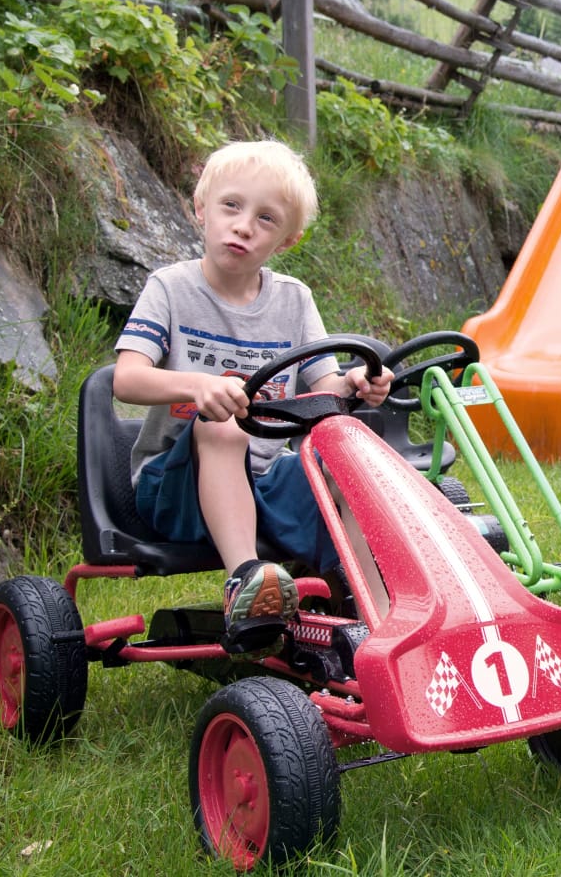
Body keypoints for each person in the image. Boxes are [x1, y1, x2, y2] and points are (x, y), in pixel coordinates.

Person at [112, 139, 391, 650]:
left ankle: (377, 614)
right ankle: (244, 581)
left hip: (263, 483)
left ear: (286, 240)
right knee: (224, 423)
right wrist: (199, 385)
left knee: (344, 452)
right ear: (201, 208)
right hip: (176, 486)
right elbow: (126, 378)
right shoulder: (170, 288)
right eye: (231, 206)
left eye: (266, 218)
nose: (243, 226)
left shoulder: (294, 301)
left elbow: (324, 392)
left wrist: (355, 384)